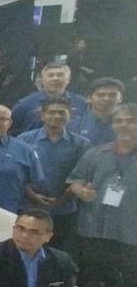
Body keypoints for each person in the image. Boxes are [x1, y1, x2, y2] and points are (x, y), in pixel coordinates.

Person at [68, 104, 137, 287]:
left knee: (133, 281)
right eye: (120, 121)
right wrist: (80, 191)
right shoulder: (97, 153)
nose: (125, 126)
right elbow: (75, 180)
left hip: (131, 231)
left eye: (131, 121)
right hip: (96, 226)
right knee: (90, 275)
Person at [19, 98, 90, 257]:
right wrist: (33, 196)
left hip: (65, 210)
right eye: (52, 112)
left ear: (69, 115)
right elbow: (19, 174)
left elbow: (82, 177)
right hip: (30, 207)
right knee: (26, 250)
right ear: (42, 115)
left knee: (57, 254)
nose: (57, 116)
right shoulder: (24, 140)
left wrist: (60, 200)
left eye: (61, 112)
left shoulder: (82, 144)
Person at [11, 63, 87, 135]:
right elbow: (11, 128)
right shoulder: (25, 104)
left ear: (68, 79)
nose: (55, 78)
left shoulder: (82, 103)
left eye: (60, 75)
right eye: (50, 75)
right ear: (42, 80)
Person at [68, 77, 124, 146]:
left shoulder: (128, 124)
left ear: (120, 98)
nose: (106, 99)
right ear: (89, 98)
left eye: (112, 95)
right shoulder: (73, 124)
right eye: (101, 95)